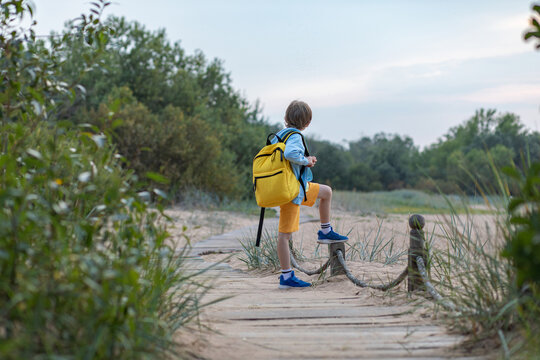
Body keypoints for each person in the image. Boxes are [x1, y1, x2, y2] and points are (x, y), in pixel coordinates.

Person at [273, 100, 348, 289]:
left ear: (285, 118)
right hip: (292, 191)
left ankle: (325, 230)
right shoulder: (295, 136)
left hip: (293, 188)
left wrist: (304, 160)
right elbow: (291, 154)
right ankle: (286, 277)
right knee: (284, 235)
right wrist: (306, 160)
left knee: (326, 192)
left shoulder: (278, 136)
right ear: (307, 123)